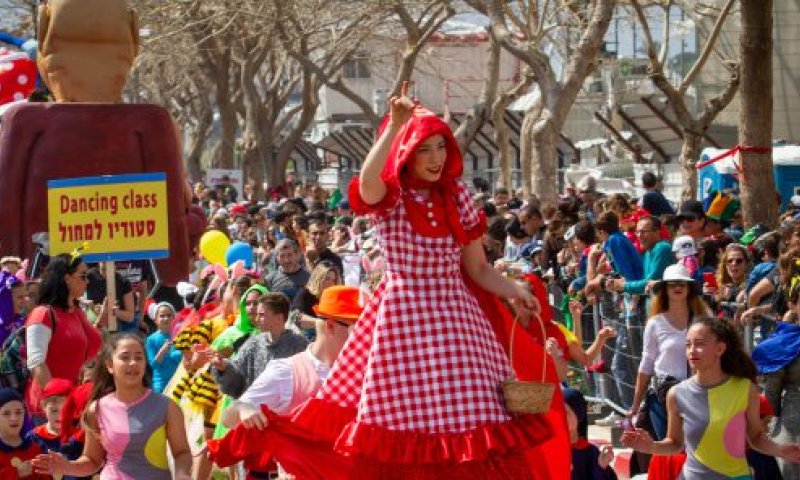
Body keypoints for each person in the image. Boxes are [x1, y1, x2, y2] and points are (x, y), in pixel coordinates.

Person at [240, 82, 566, 479]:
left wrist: (516, 290)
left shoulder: (458, 196)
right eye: (424, 149)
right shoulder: (391, 197)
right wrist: (394, 126)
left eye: (441, 147)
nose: (435, 158)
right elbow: (369, 181)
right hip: (402, 321)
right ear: (406, 154)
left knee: (477, 422)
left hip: (457, 321)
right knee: (399, 431)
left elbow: (478, 269)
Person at [622, 317, 800, 478]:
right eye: (688, 344)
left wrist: (780, 450)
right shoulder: (676, 394)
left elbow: (756, 438)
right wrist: (651, 446)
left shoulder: (746, 390)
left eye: (699, 344)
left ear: (720, 348)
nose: (692, 351)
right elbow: (675, 444)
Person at [32, 333, 192, 479]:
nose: (133, 363)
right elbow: (92, 460)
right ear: (110, 365)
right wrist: (67, 466)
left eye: (139, 357)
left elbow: (182, 453)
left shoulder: (167, 406)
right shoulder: (97, 409)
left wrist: (182, 475)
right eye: (125, 357)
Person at [629, 264, 711, 440]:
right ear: (665, 289)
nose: (678, 287)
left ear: (689, 288)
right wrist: (635, 405)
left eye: (682, 283)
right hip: (663, 397)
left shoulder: (704, 319)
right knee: (670, 450)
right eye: (672, 284)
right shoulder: (655, 323)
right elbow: (646, 364)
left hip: (698, 395)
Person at [25, 252, 102, 421]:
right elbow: (36, 364)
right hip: (49, 411)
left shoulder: (78, 312)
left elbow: (93, 347)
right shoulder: (42, 314)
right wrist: (59, 400)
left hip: (77, 405)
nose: (87, 281)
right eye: (83, 276)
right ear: (67, 279)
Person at [212, 293, 308, 400]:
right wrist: (223, 367)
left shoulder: (299, 346)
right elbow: (238, 372)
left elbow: (307, 382)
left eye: (261, 315)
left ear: (279, 318)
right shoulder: (254, 342)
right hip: (255, 411)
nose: (256, 319)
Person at [0, 388, 48, 479]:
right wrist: (16, 473)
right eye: (6, 413)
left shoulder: (35, 448)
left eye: (18, 412)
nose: (14, 418)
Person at [291, 260, 342, 339]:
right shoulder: (305, 294)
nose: (331, 283)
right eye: (327, 279)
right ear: (318, 278)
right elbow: (295, 317)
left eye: (333, 280)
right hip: (305, 339)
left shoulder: (334, 299)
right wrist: (320, 323)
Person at [85, 262, 137, 332]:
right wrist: (88, 304)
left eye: (109, 270)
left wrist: (115, 312)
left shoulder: (123, 282)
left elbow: (130, 316)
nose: (105, 274)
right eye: (103, 270)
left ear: (115, 267)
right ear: (98, 264)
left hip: (114, 325)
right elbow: (74, 295)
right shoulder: (90, 276)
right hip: (92, 322)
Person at [28, 378, 73, 454]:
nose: (60, 416)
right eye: (54, 410)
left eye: (66, 411)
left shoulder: (80, 434)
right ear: (43, 407)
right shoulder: (34, 438)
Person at [145, 302, 182, 393]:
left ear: (174, 318)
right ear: (155, 320)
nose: (166, 318)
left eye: (169, 315)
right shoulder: (151, 339)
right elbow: (153, 365)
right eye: (162, 316)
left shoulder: (180, 335)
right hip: (161, 384)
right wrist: (162, 351)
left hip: (179, 382)